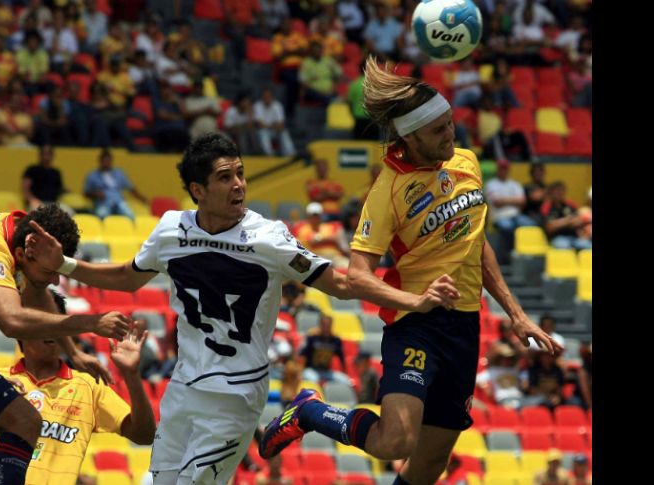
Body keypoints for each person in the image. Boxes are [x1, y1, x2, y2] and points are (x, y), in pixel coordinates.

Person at [25, 132, 462, 485]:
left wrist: (413, 301)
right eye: (224, 177)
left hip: (236, 394)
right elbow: (125, 276)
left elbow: (344, 285)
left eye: (240, 173)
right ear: (198, 190)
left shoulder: (268, 237)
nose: (238, 185)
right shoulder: (170, 231)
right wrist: (63, 264)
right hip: (182, 389)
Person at [258, 57, 560, 484]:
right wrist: (415, 301)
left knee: (432, 463)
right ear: (410, 136)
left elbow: (476, 242)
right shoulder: (387, 191)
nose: (450, 135)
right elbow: (357, 276)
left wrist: (515, 312)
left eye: (450, 124)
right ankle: (310, 411)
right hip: (415, 326)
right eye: (438, 131)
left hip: (465, 327)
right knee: (395, 441)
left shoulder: (466, 163)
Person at [0, 205, 131, 485]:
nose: (57, 279)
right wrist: (91, 322)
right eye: (52, 271)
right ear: (23, 253)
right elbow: (11, 321)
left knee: (24, 422)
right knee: (22, 421)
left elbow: (39, 293)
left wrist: (73, 351)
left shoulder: (26, 235)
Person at [0, 291, 156, 485]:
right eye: (43, 321)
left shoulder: (88, 387)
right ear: (20, 327)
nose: (52, 330)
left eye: (57, 322)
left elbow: (144, 435)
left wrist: (131, 375)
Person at [83, 148, 147, 219]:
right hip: (103, 203)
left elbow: (131, 189)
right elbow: (86, 193)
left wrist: (143, 199)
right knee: (102, 215)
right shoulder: (92, 175)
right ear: (100, 161)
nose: (106, 163)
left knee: (130, 215)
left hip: (119, 201)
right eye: (104, 161)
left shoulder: (119, 173)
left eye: (108, 161)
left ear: (111, 161)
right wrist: (95, 194)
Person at [22, 144, 65, 209]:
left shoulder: (56, 172)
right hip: (36, 202)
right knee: (38, 211)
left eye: (48, 154)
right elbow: (25, 188)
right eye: (44, 154)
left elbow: (59, 189)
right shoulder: (32, 170)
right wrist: (32, 200)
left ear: (52, 156)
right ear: (40, 155)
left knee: (68, 211)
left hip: (53, 203)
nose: (46, 157)